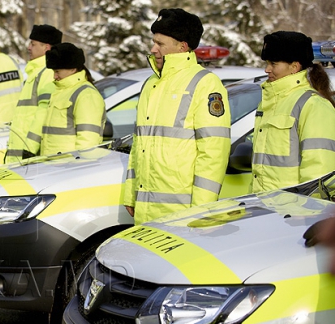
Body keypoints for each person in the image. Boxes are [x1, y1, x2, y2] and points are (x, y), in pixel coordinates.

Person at [123, 8, 231, 225]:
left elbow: (213, 153)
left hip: (181, 214)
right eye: (153, 42)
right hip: (145, 210)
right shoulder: (151, 84)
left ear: (182, 46)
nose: (153, 49)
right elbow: (139, 146)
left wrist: (201, 211)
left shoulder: (205, 83)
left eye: (160, 44)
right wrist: (130, 193)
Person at [251, 31, 335, 193]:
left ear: (294, 67)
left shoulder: (313, 105)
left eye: (273, 64)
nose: (267, 69)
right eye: (267, 63)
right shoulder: (269, 102)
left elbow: (320, 171)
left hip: (294, 212)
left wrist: (307, 214)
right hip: (266, 207)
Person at [24, 43, 105, 158]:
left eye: (57, 72)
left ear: (72, 69)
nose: (54, 76)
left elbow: (88, 143)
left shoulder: (86, 95)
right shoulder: (61, 92)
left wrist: (77, 170)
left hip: (69, 169)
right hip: (54, 166)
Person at [4, 24, 62, 163]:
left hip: (28, 156)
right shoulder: (35, 73)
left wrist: (29, 150)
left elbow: (43, 114)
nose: (29, 48)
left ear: (46, 47)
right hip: (20, 155)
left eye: (33, 44)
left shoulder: (48, 73)